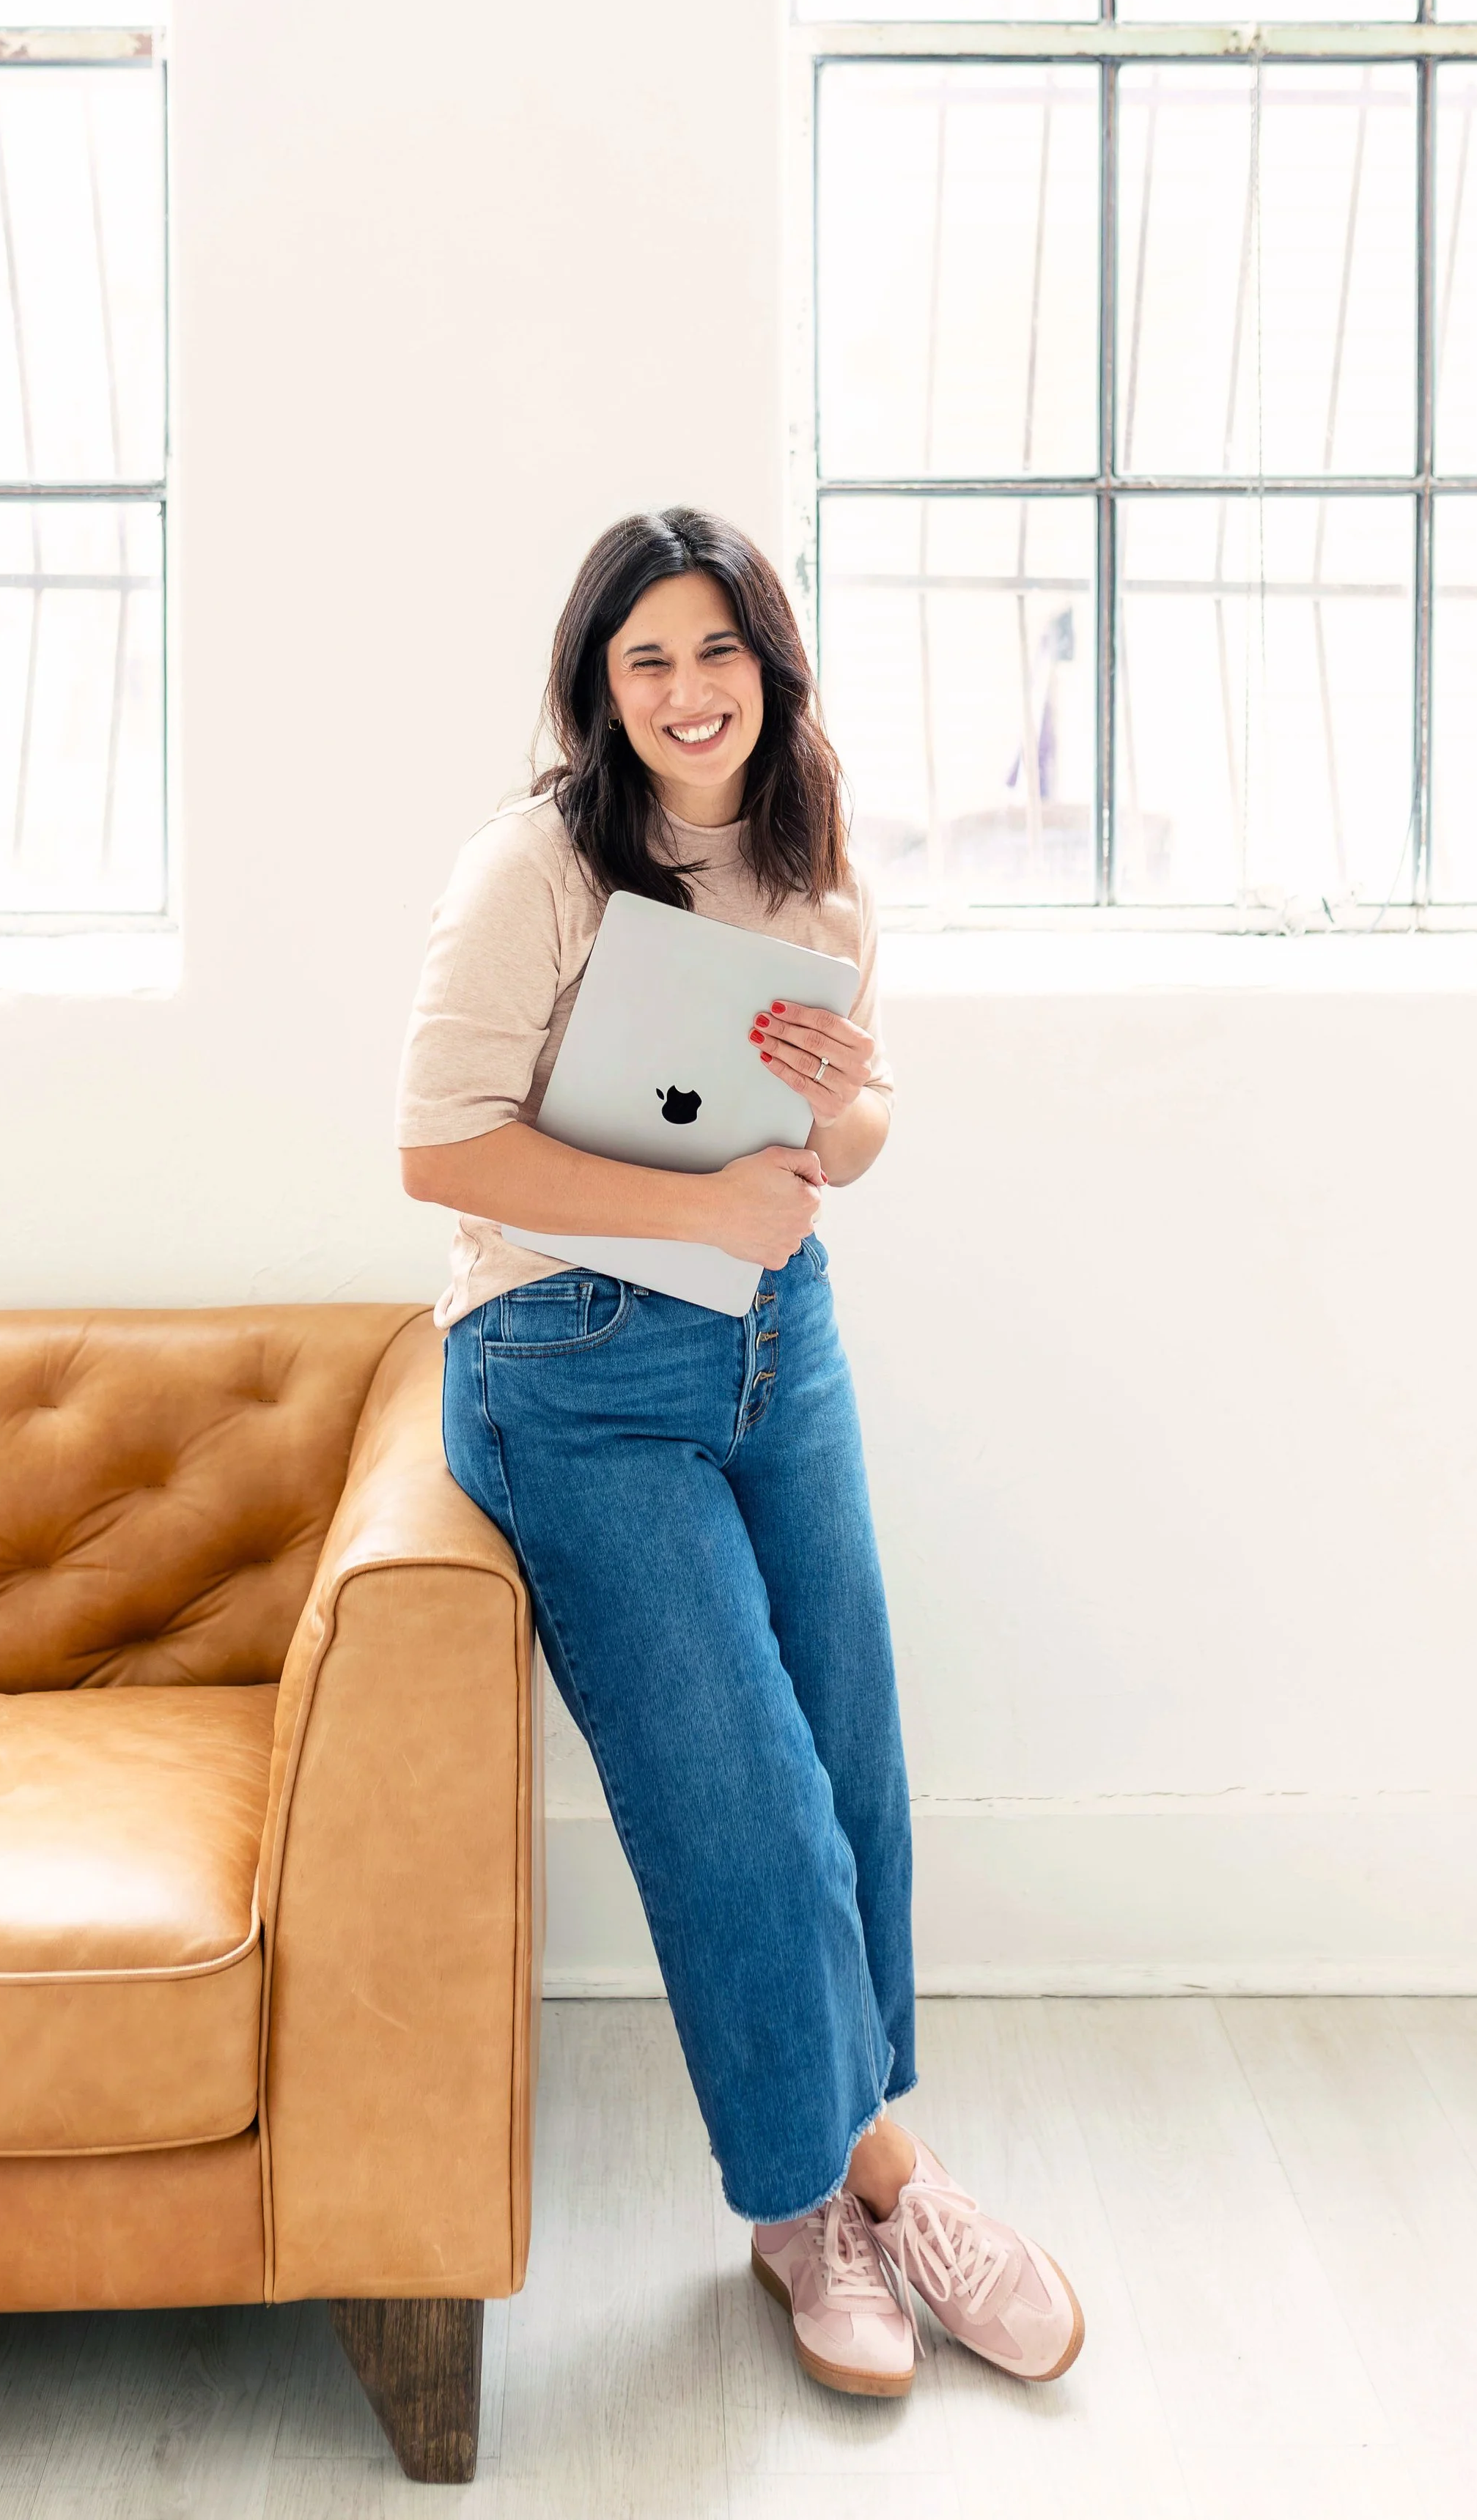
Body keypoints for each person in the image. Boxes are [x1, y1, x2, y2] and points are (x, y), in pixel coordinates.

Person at [397, 507, 1083, 2400]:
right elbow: (439, 1149)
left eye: (718, 654)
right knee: (744, 1797)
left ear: (770, 673)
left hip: (785, 1344)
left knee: (845, 1755)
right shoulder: (531, 867)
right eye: (647, 661)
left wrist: (856, 1113)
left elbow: (827, 1146)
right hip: (568, 1359)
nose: (687, 691)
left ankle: (842, 2184)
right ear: (597, 690)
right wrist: (693, 1219)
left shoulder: (815, 875)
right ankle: (844, 2193)